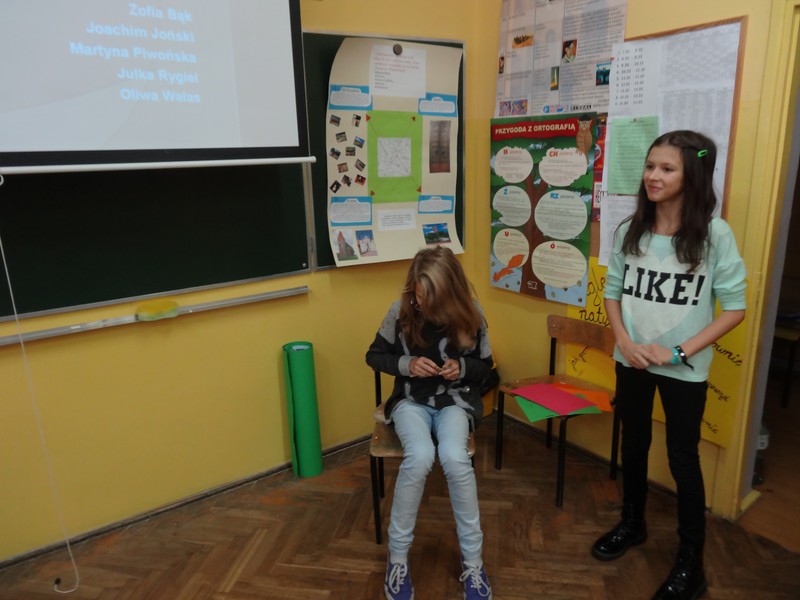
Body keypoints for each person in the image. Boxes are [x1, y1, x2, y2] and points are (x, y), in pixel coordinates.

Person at [592, 130, 747, 600]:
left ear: (691, 175)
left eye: (666, 168)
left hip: (684, 370)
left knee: (683, 459)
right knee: (634, 444)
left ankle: (690, 564)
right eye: (650, 166)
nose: (653, 176)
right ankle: (632, 523)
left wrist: (678, 353)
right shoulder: (631, 229)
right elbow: (613, 293)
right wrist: (624, 341)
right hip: (631, 361)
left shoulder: (714, 236)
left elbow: (735, 309)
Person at [366, 246, 494, 600]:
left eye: (429, 299)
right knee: (420, 456)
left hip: (455, 401)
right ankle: (397, 559)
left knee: (454, 458)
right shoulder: (400, 311)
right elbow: (373, 356)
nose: (420, 303)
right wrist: (406, 365)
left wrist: (462, 368)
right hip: (410, 401)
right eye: (418, 295)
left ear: (451, 295)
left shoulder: (472, 315)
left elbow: (485, 367)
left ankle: (474, 562)